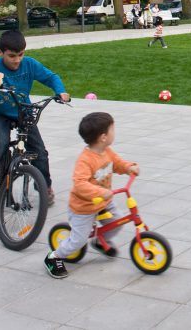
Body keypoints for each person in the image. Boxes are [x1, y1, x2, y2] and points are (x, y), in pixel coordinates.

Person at [0, 30, 69, 208]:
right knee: (0, 143)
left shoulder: (29, 64)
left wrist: (60, 91)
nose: (17, 60)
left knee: (39, 151)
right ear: (0, 53)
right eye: (11, 56)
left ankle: (44, 186)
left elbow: (50, 77)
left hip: (23, 112)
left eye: (20, 54)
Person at [44, 112, 139, 279]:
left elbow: (117, 163)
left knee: (117, 222)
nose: (114, 133)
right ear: (103, 137)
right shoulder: (85, 160)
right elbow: (80, 184)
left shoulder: (107, 151)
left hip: (103, 202)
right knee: (78, 240)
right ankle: (54, 257)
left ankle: (99, 240)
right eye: (112, 130)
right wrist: (101, 192)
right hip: (84, 207)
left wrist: (129, 167)